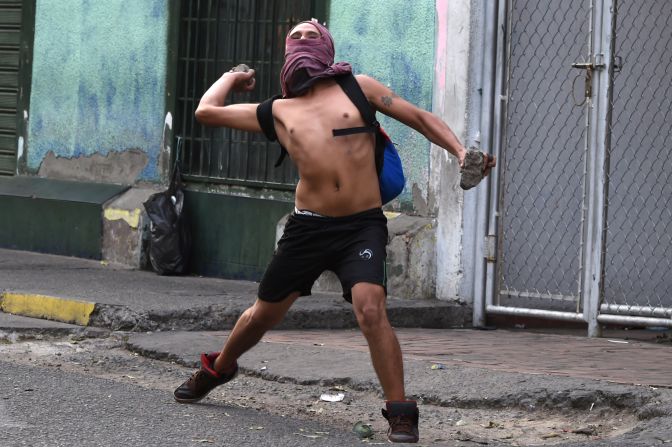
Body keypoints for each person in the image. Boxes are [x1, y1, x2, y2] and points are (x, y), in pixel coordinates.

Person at [173, 19, 495, 444]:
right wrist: (231, 77)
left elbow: (417, 116)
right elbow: (205, 112)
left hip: (361, 226)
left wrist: (460, 152)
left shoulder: (358, 88)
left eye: (311, 35)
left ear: (327, 47)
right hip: (307, 229)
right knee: (262, 316)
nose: (303, 41)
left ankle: (400, 411)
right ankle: (218, 369)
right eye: (295, 37)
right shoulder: (279, 111)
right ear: (286, 52)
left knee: (370, 308)